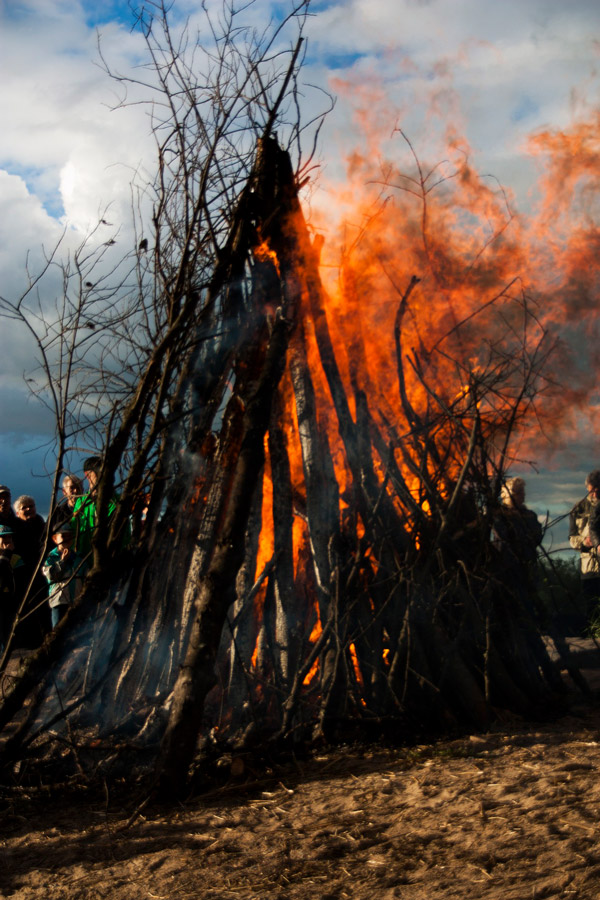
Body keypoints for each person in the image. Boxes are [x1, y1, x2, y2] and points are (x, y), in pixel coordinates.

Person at [570, 470, 600, 620]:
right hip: (588, 569)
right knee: (592, 610)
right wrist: (585, 542)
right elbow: (572, 538)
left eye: (597, 489)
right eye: (591, 490)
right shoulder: (579, 508)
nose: (594, 494)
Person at [42, 523, 84, 628]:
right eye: (63, 536)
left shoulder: (78, 557)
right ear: (55, 539)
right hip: (59, 602)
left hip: (76, 601)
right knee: (58, 631)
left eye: (69, 536)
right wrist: (62, 562)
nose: (67, 539)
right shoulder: (50, 558)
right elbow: (51, 576)